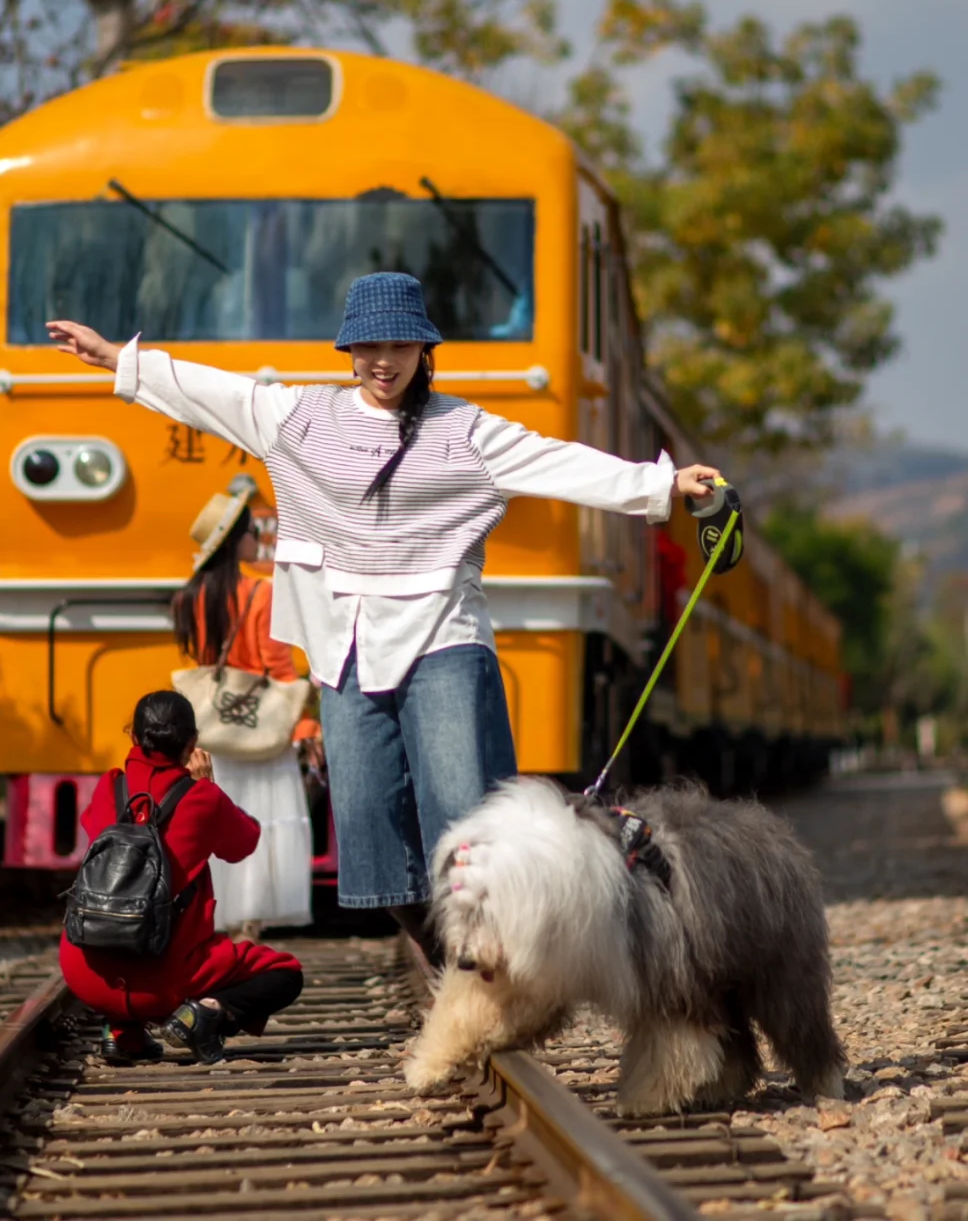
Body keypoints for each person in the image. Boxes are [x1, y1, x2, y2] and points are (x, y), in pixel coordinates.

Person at [48, 272, 719, 965]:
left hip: (443, 637)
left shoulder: (464, 429)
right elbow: (215, 394)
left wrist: (662, 484)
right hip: (345, 646)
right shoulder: (302, 418)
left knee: (464, 815)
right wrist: (116, 359)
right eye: (369, 344)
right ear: (348, 349)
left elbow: (557, 463)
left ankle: (489, 953)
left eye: (400, 344)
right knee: (366, 823)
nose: (383, 359)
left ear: (424, 349)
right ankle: (453, 956)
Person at [59, 690, 303, 1064]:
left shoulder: (109, 786)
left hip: (87, 972)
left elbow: (92, 826)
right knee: (285, 972)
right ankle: (202, 1014)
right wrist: (208, 786)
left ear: (134, 738)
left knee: (118, 915)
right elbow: (245, 842)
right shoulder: (201, 798)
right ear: (192, 744)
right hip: (165, 983)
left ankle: (123, 1033)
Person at [172, 490, 320, 935]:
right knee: (260, 826)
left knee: (220, 824)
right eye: (252, 531)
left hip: (215, 734)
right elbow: (280, 670)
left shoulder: (189, 598)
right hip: (261, 734)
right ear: (235, 541)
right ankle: (250, 926)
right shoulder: (260, 593)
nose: (259, 538)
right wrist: (308, 725)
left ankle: (220, 917)